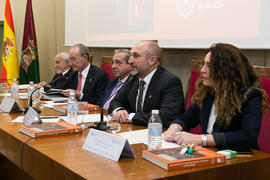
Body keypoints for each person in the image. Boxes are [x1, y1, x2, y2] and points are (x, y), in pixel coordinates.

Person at [164, 43, 269, 150]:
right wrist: (175, 127)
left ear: (226, 70)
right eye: (204, 64)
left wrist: (202, 139)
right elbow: (188, 116)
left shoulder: (251, 95)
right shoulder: (208, 91)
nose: (202, 70)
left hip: (241, 159)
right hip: (211, 154)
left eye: (209, 65)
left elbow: (247, 137)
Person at [108, 41, 185, 128]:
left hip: (159, 135)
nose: (130, 61)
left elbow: (165, 116)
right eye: (131, 55)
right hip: (135, 131)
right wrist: (119, 111)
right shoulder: (134, 79)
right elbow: (116, 101)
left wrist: (129, 117)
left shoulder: (170, 82)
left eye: (136, 56)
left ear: (152, 60)